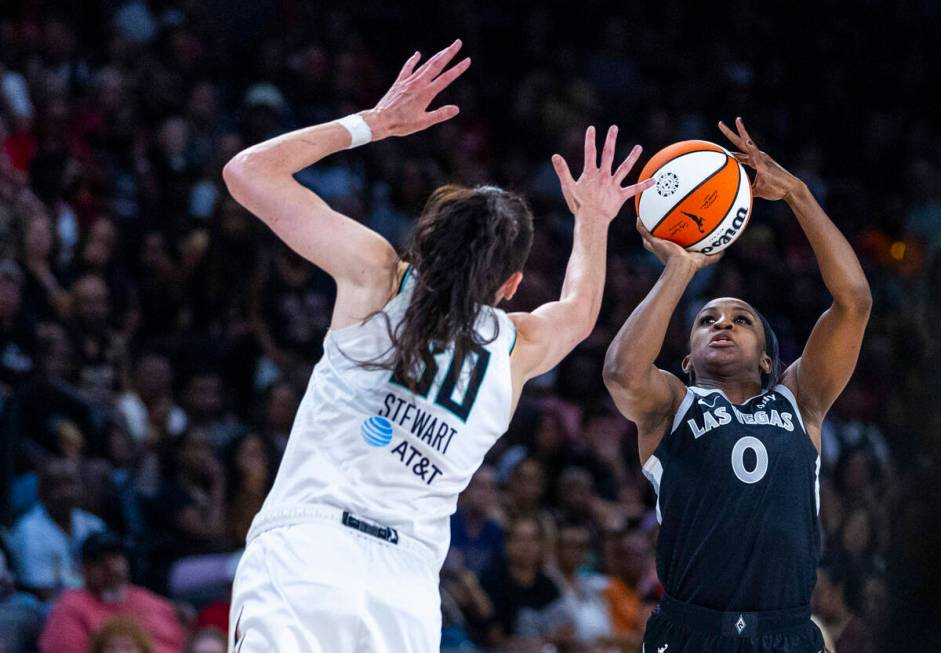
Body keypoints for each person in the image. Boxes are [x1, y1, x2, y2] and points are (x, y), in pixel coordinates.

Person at [221, 39, 653, 652]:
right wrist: (592, 218)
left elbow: (247, 172)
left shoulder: (378, 276)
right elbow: (580, 314)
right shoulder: (514, 346)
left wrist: (374, 122)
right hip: (404, 595)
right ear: (510, 286)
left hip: (307, 558)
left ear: (423, 244)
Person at [603, 118, 872, 652]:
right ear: (685, 358)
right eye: (707, 320)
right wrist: (680, 269)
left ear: (771, 360)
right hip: (690, 631)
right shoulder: (672, 405)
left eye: (741, 319)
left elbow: (855, 300)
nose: (722, 323)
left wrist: (795, 192)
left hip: (788, 632)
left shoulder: (801, 400)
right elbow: (620, 373)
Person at [38, 531, 185, 653]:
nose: (110, 566)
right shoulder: (70, 607)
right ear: (84, 568)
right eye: (99, 560)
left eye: (115, 557)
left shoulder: (148, 599)